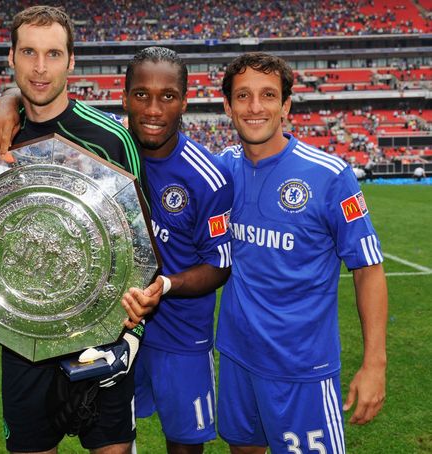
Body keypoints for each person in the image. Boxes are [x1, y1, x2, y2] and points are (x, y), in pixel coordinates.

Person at [213, 52, 387, 453]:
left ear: (286, 105)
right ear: (228, 105)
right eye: (243, 96)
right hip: (238, 358)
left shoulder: (329, 176)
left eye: (268, 95)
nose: (255, 107)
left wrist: (374, 364)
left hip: (302, 369)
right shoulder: (222, 170)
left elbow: (368, 269)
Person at [0, 6, 144, 453]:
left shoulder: (111, 138)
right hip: (25, 339)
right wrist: (7, 101)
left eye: (53, 54)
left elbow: (141, 243)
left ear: (71, 61)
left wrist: (129, 333)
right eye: (29, 53)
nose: (40, 68)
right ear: (12, 57)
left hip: (100, 336)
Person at [119, 47, 233, 454]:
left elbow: (218, 265)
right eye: (141, 94)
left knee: (184, 446)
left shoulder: (208, 176)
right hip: (112, 329)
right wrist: (11, 98)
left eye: (167, 96)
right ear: (124, 96)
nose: (153, 108)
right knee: (112, 442)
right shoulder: (106, 155)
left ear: (184, 101)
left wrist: (165, 285)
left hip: (182, 336)